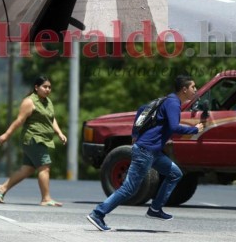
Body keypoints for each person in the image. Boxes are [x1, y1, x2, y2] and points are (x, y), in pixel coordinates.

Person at [86, 75, 204, 231]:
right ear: (184, 89)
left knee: (175, 173)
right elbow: (174, 126)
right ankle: (98, 213)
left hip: (152, 151)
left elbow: (142, 110)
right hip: (145, 151)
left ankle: (155, 208)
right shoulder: (173, 103)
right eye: (193, 87)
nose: (195, 89)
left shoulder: (167, 100)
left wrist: (135, 135)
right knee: (129, 188)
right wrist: (194, 130)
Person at [0, 76, 67, 206]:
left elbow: (51, 118)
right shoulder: (29, 102)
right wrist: (6, 135)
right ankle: (46, 199)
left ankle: (2, 188)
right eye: (45, 87)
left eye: (49, 87)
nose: (48, 89)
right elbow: (19, 120)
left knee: (27, 169)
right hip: (33, 138)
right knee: (44, 167)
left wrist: (59, 133)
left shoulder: (47, 101)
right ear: (36, 87)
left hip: (43, 139)